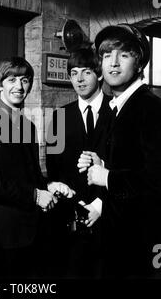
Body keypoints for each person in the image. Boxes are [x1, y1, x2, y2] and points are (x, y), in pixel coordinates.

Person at [85, 24, 161, 278]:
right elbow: (132, 164)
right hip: (118, 241)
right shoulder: (117, 108)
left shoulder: (154, 110)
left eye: (123, 55)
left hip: (142, 247)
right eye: (107, 55)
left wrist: (106, 177)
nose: (113, 63)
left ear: (139, 64)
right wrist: (104, 166)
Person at [0, 56, 74, 278]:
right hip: (2, 236)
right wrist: (35, 195)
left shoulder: (28, 126)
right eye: (11, 80)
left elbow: (30, 176)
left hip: (32, 232)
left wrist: (51, 185)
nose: (19, 86)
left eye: (25, 80)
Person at [46, 47, 113, 278]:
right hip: (71, 221)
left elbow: (131, 168)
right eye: (74, 73)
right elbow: (54, 171)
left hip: (111, 219)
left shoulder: (118, 113)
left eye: (86, 72)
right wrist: (76, 204)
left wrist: (100, 205)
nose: (80, 79)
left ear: (100, 74)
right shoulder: (59, 117)